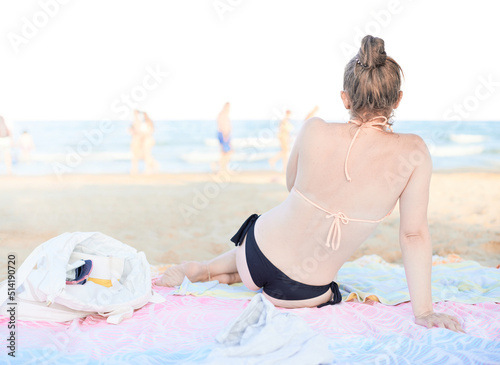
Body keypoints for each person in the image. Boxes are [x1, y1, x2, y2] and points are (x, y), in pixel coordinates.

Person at [158, 36, 464, 332]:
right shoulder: (414, 151)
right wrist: (424, 311)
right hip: (301, 292)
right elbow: (413, 235)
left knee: (274, 228)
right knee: (302, 271)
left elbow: (293, 186)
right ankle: (222, 274)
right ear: (398, 98)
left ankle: (209, 269)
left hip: (255, 254)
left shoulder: (314, 129)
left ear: (345, 98)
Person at [129, 110, 158, 174]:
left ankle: (150, 168)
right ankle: (151, 167)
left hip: (147, 139)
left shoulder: (147, 122)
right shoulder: (139, 122)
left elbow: (150, 131)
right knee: (139, 155)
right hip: (141, 139)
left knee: (146, 155)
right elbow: (132, 130)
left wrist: (142, 135)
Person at [214, 102, 232, 171]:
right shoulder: (222, 114)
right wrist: (225, 135)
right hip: (224, 134)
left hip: (225, 134)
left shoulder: (224, 114)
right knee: (226, 152)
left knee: (225, 153)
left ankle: (223, 167)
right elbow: (221, 125)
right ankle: (220, 166)